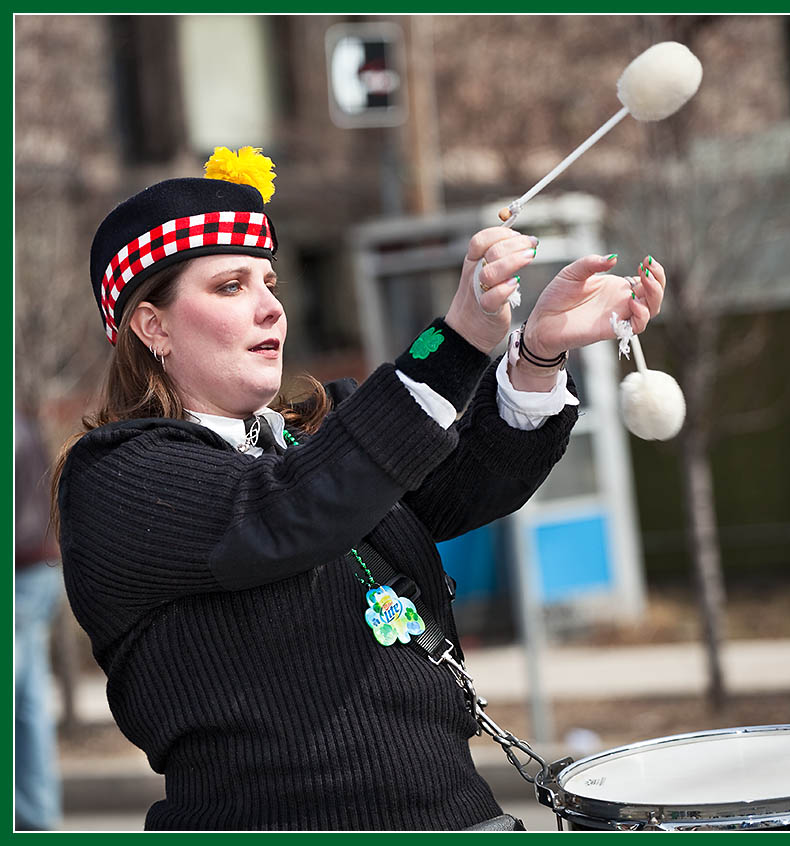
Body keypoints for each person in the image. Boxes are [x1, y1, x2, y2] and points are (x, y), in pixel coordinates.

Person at [53, 146, 666, 831]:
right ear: (152, 325)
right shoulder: (116, 478)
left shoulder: (319, 437)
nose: (271, 310)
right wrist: (457, 338)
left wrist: (538, 353)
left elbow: (465, 483)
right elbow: (289, 508)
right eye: (231, 286)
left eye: (270, 282)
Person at [16, 411, 63, 831]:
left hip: (18, 574)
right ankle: (36, 812)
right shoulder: (23, 423)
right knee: (28, 699)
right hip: (40, 566)